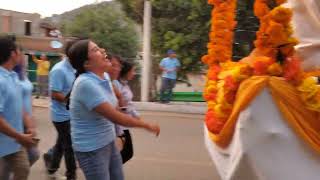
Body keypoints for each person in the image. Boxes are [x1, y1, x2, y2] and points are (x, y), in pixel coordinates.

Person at [68, 39, 160, 180]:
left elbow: (115, 107)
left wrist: (117, 134)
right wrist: (146, 125)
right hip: (91, 149)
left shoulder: (104, 77)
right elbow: (115, 116)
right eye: (95, 50)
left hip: (108, 141)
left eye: (99, 47)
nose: (103, 50)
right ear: (87, 63)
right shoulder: (85, 84)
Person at [0, 36, 37, 180]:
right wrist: (19, 136)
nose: (21, 54)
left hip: (15, 141)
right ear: (12, 53)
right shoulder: (1, 81)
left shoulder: (14, 76)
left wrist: (29, 124)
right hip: (7, 140)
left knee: (23, 169)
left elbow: (19, 104)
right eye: (19, 51)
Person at [43, 40, 77, 180]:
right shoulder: (59, 70)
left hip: (71, 113)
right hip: (61, 115)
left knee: (61, 143)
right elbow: (55, 94)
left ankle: (51, 165)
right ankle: (71, 175)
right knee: (69, 146)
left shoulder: (74, 68)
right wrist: (71, 100)